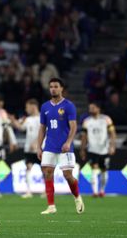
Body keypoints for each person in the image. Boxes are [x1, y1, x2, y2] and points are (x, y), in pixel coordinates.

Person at [37, 78, 84, 215]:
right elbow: (42, 128)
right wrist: (39, 146)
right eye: (51, 86)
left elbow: (73, 126)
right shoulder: (45, 107)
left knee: (68, 175)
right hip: (49, 146)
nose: (53, 89)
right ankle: (51, 206)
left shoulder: (69, 106)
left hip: (65, 148)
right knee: (47, 173)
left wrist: (68, 142)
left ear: (61, 88)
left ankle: (77, 197)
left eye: (56, 86)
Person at [80, 102, 117, 197]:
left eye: (92, 108)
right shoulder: (87, 121)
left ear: (98, 108)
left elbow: (112, 133)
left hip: (104, 149)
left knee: (104, 170)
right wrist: (82, 149)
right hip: (92, 149)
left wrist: (112, 146)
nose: (90, 110)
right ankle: (95, 192)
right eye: (89, 108)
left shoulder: (106, 120)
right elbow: (84, 136)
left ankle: (102, 190)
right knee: (94, 169)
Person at [10, 99, 41, 198]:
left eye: (27, 107)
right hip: (28, 149)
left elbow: (45, 133)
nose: (26, 109)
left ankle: (47, 191)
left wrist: (37, 143)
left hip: (40, 149)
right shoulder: (28, 119)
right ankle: (28, 191)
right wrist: (13, 120)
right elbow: (21, 128)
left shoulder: (42, 118)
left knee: (45, 170)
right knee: (28, 167)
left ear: (33, 107)